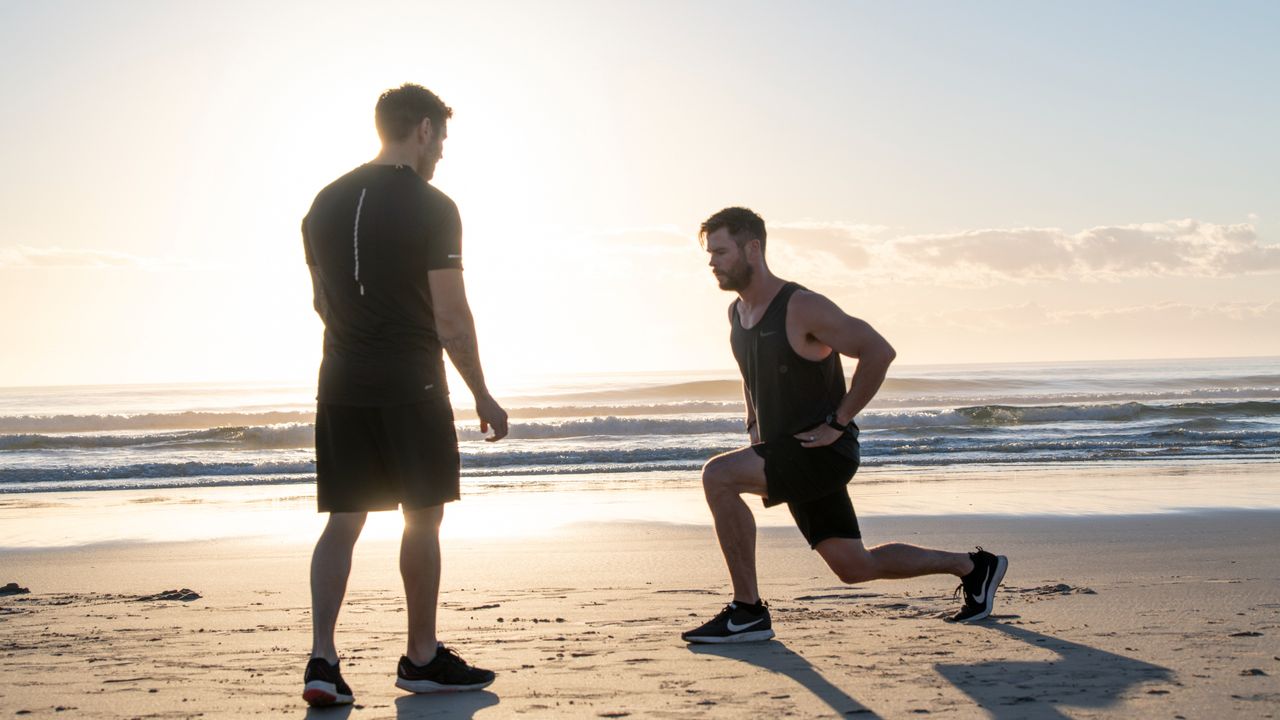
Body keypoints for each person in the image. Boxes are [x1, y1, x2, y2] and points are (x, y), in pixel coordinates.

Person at [683, 207, 1007, 644]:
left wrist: (839, 420)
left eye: (721, 251)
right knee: (855, 567)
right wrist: (753, 425)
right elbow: (751, 375)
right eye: (710, 253)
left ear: (753, 248)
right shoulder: (737, 314)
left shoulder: (802, 307)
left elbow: (878, 351)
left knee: (717, 476)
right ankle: (973, 567)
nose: (712, 262)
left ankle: (748, 611)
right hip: (787, 452)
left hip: (823, 453)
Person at [299, 84, 509, 706]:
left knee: (343, 520)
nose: (441, 151)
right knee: (422, 517)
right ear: (422, 130)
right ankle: (421, 656)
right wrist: (484, 395)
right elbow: (452, 319)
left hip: (339, 380)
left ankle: (322, 660)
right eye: (440, 138)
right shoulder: (434, 206)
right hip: (411, 382)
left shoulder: (321, 204)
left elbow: (321, 302)